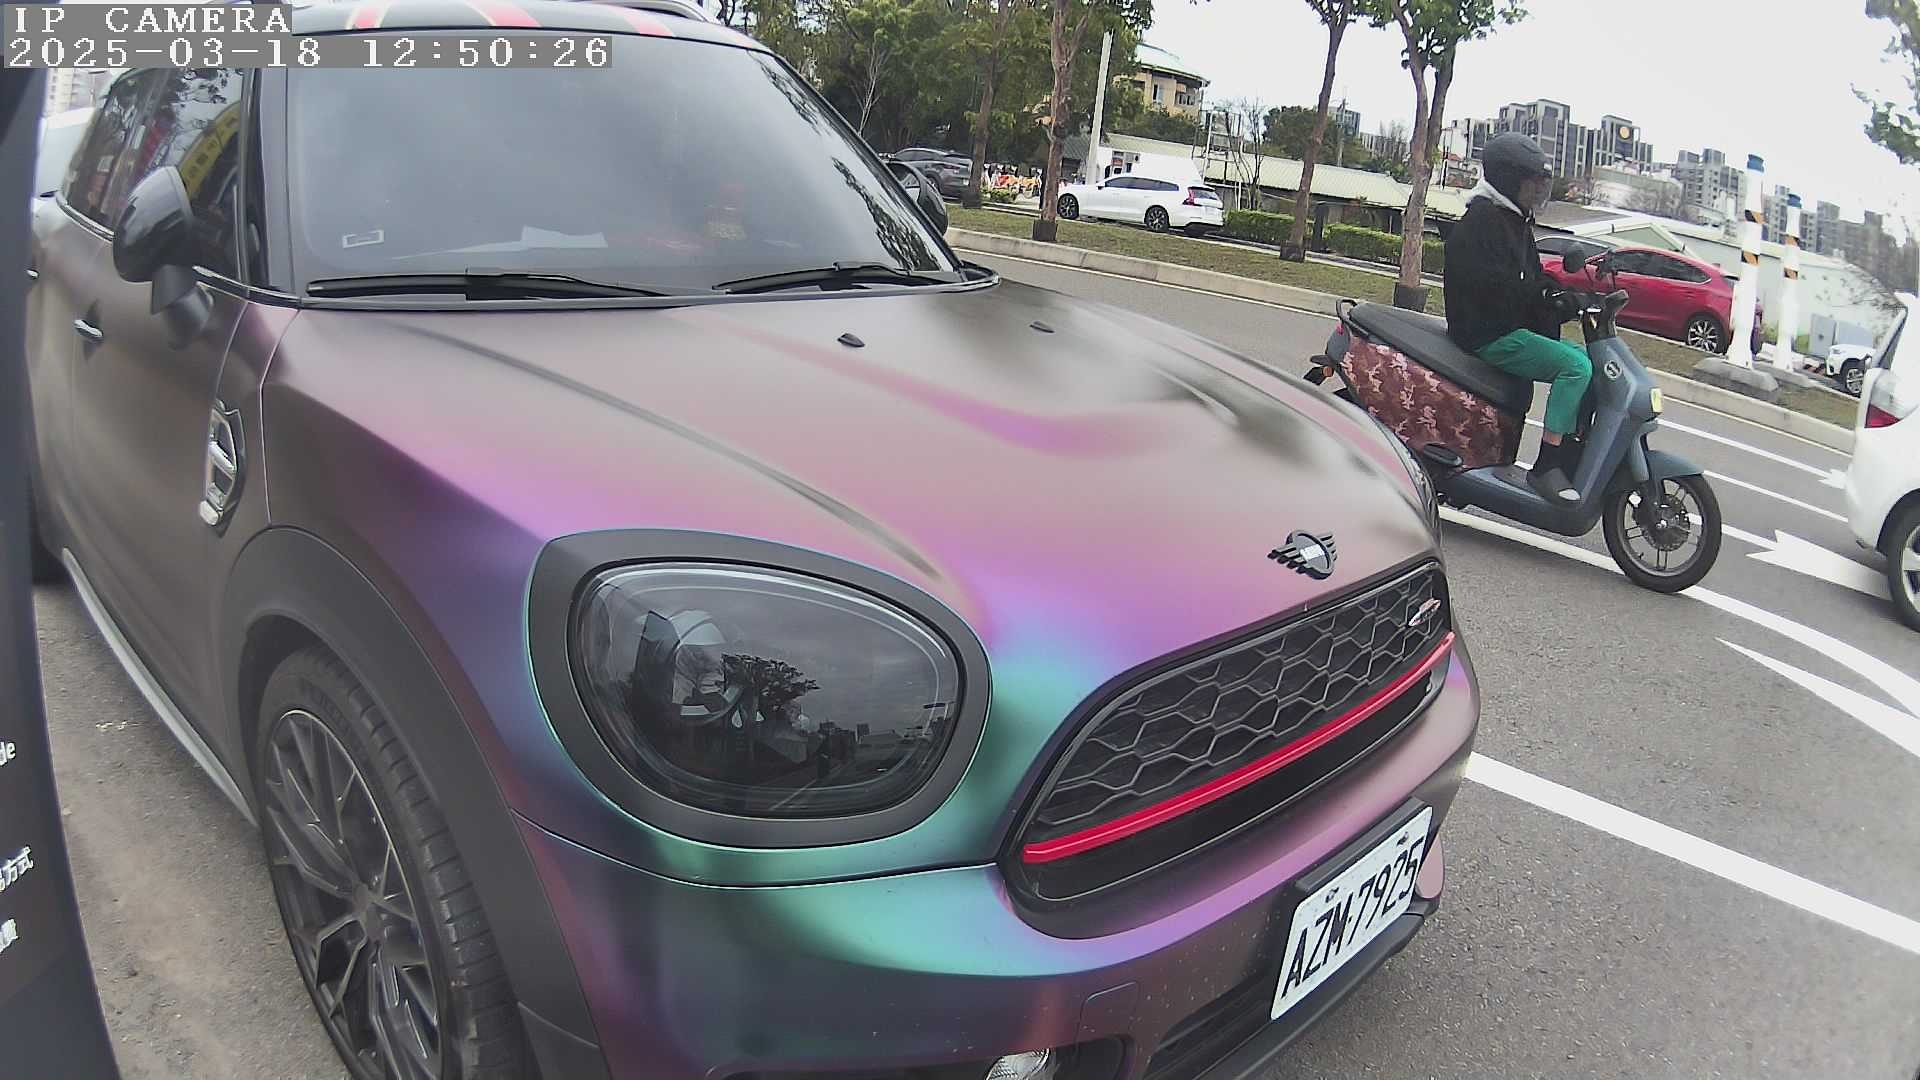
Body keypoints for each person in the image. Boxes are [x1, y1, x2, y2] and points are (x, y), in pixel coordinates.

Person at [1444, 132, 1589, 503]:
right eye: (1531, 184)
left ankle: (1572, 454)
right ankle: (1547, 466)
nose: (1537, 193)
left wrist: (1559, 294)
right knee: (1575, 367)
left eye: (1540, 185)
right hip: (1487, 333)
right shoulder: (1483, 221)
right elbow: (1499, 286)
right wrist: (1547, 300)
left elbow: (1531, 277)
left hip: (1505, 327)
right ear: (1507, 180)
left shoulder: (1513, 220)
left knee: (1589, 361)